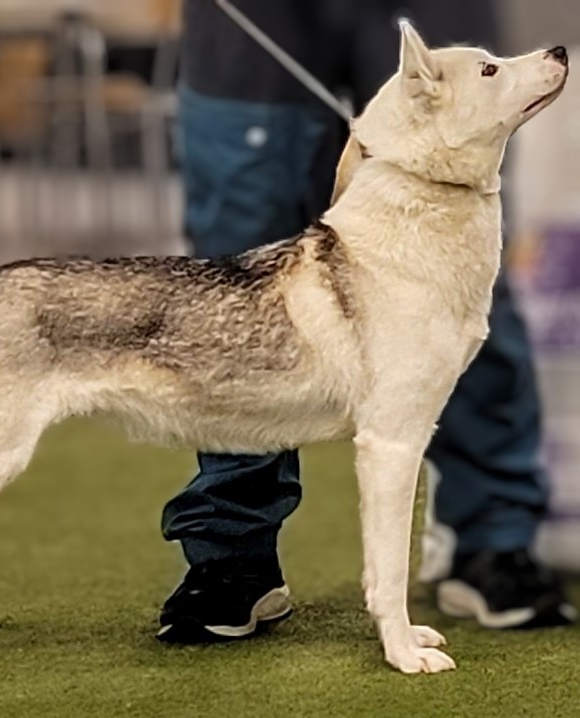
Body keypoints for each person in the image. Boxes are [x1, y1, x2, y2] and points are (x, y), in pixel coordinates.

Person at [157, 0, 576, 643]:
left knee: (457, 260)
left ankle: (491, 540)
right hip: (256, 16)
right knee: (241, 291)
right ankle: (232, 555)